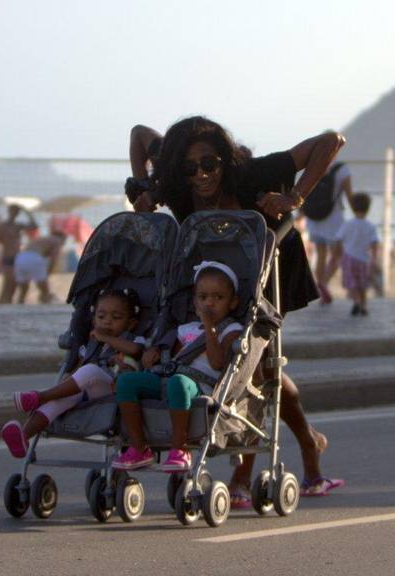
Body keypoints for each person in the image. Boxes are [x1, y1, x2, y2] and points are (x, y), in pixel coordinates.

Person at [128, 115, 346, 502]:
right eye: (190, 167)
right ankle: (308, 441)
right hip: (213, 276)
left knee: (254, 361)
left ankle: (245, 474)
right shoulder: (178, 189)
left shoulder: (249, 175)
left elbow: (331, 140)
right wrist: (146, 186)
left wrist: (294, 196)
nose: (201, 175)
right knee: (252, 364)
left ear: (224, 161)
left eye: (209, 164)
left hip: (269, 267)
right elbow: (140, 135)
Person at [112, 262, 243, 472]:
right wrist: (153, 354)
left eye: (218, 298)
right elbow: (173, 356)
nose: (210, 303)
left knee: (179, 383)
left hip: (202, 385)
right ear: (195, 302)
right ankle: (139, 447)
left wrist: (210, 330)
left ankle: (179, 448)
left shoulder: (232, 330)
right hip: (173, 378)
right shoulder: (186, 329)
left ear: (233, 302)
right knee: (127, 382)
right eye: (203, 298)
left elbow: (217, 363)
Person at [1, 288, 145, 458]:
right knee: (58, 400)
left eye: (116, 317)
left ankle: (39, 397)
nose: (107, 322)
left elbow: (136, 350)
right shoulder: (91, 344)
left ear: (130, 323)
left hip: (115, 388)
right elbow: (80, 369)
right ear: (93, 320)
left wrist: (107, 339)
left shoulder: (131, 339)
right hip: (88, 391)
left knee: (90, 371)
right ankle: (23, 437)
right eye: (101, 317)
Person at [306, 161, 353, 304]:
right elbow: (350, 195)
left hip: (314, 219)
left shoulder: (312, 166)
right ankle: (324, 283)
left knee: (321, 254)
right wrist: (359, 215)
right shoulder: (342, 169)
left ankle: (321, 291)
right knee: (338, 254)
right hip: (334, 220)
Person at [333, 193, 379, 316]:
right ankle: (364, 306)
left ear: (352, 208)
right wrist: (374, 258)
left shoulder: (347, 224)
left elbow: (338, 240)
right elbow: (374, 243)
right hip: (363, 259)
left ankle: (357, 302)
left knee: (351, 283)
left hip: (348, 257)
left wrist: (336, 255)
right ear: (368, 208)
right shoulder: (370, 226)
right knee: (362, 284)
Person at [0, 204, 38, 304]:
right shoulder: (1, 226)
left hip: (18, 257)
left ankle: (12, 304)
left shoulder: (18, 226)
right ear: (9, 211)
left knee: (19, 284)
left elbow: (34, 226)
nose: (15, 213)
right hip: (7, 257)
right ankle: (2, 304)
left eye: (17, 212)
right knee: (8, 285)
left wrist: (28, 212)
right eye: (13, 211)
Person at [13, 229, 66, 304]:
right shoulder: (57, 241)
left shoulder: (42, 238)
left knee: (23, 289)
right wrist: (48, 273)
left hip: (20, 258)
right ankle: (45, 304)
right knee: (44, 290)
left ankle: (19, 305)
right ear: (62, 238)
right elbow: (54, 259)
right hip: (35, 258)